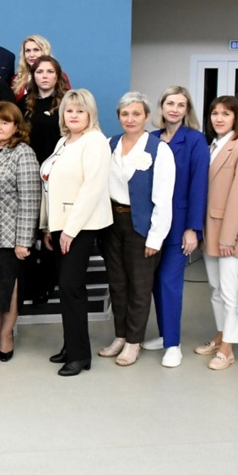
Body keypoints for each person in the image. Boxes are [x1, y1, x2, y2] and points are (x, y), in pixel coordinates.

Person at [97, 93, 174, 367]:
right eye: (125, 114)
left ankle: (134, 341)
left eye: (136, 114)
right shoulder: (110, 144)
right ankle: (120, 335)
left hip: (141, 225)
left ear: (146, 116)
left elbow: (164, 198)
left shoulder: (159, 149)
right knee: (117, 284)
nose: (130, 119)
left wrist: (155, 237)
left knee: (139, 287)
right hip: (112, 224)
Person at [42, 89, 112, 376]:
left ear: (90, 114)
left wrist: (69, 231)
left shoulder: (95, 142)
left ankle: (80, 355)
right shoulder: (63, 141)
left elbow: (92, 189)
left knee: (72, 287)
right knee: (66, 289)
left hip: (81, 226)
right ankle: (70, 345)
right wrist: (49, 227)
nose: (73, 115)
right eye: (69, 110)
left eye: (80, 111)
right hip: (61, 225)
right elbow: (51, 184)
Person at [142, 86, 208, 367]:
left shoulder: (195, 140)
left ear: (187, 110)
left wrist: (193, 228)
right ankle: (165, 334)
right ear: (162, 107)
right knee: (156, 282)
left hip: (180, 225)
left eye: (181, 105)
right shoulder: (151, 138)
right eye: (170, 103)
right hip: (152, 224)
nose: (175, 109)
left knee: (169, 282)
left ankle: (173, 344)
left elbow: (199, 186)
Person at [0, 101, 40, 362]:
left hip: (10, 236)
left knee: (8, 287)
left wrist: (23, 241)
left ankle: (7, 336)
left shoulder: (23, 153)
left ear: (16, 127)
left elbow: (30, 200)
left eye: (5, 122)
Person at [197, 96, 238, 370]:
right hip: (210, 228)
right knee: (216, 289)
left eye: (226, 114)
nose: (219, 118)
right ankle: (221, 336)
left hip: (228, 232)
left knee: (230, 292)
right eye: (215, 113)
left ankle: (228, 349)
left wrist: (229, 237)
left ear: (235, 118)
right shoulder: (211, 146)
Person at [20, 55, 70, 307]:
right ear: (33, 75)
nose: (45, 76)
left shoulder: (66, 103)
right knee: (29, 231)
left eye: (50, 71)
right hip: (29, 173)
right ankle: (29, 283)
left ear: (57, 76)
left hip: (56, 175)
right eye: (40, 72)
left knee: (52, 231)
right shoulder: (24, 104)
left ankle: (47, 284)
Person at [12, 35, 71, 100]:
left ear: (45, 51)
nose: (31, 55)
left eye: (36, 50)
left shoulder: (61, 76)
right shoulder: (17, 79)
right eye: (28, 51)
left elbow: (67, 101)